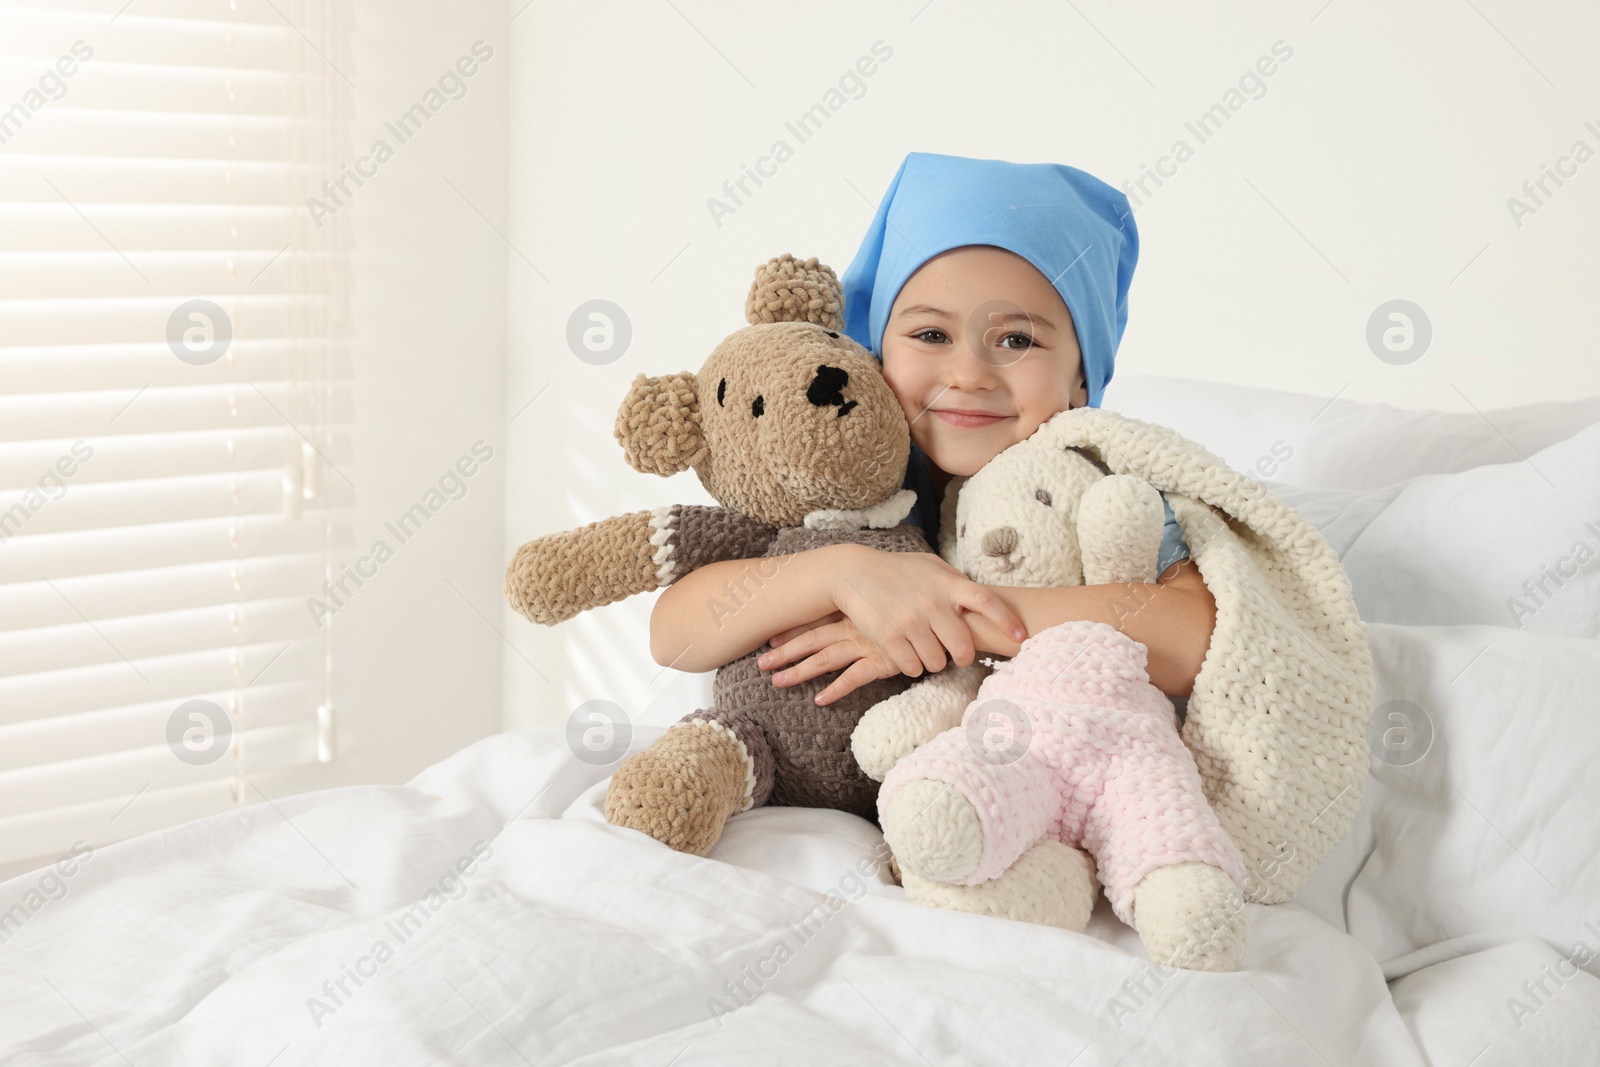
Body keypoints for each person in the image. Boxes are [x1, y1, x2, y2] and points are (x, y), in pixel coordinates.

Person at [648, 151, 1215, 706]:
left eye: (1017, 341)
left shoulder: (1099, 477)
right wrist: (840, 573)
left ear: (1082, 378)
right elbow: (674, 634)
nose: (968, 375)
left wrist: (946, 613)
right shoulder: (835, 467)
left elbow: (1196, 637)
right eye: (931, 335)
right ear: (874, 349)